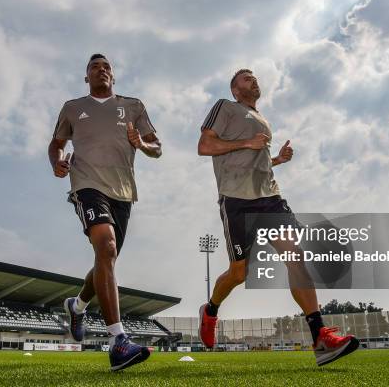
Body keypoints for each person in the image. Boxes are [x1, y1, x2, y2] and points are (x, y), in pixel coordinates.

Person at [197, 69, 358, 366]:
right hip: (236, 199)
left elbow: (254, 162)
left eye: (254, 77)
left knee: (295, 256)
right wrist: (247, 144)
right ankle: (210, 310)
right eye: (245, 78)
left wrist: (276, 161)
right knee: (238, 273)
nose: (253, 80)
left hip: (270, 200)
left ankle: (320, 336)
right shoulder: (225, 107)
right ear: (234, 90)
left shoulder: (263, 121)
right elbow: (205, 146)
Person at [48, 53, 162, 371]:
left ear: (114, 76)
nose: (102, 70)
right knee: (107, 247)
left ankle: (78, 304)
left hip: (123, 193)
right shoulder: (72, 107)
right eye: (95, 67)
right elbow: (55, 144)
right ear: (87, 77)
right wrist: (56, 162)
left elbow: (158, 147)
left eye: (107, 66)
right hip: (87, 185)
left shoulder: (134, 106)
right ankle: (118, 341)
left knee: (105, 258)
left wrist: (141, 143)